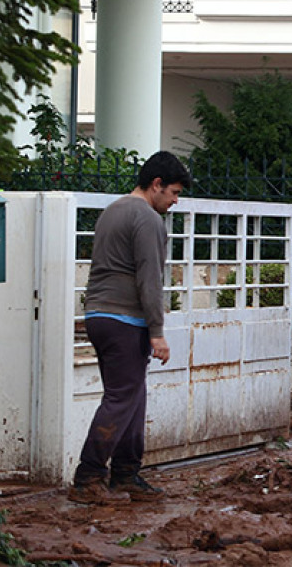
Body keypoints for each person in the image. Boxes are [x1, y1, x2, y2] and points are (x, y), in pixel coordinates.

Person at [68, 151, 191, 504]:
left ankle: (126, 474)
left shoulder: (113, 210)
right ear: (156, 185)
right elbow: (150, 280)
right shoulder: (148, 220)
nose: (175, 200)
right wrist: (157, 331)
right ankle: (88, 477)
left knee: (132, 396)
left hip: (98, 315)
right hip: (126, 319)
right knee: (122, 398)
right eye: (173, 192)